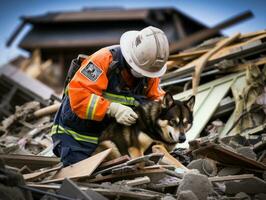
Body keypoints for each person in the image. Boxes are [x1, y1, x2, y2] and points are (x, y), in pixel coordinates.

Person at [50, 26, 169, 166]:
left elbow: (156, 100)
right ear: (130, 57)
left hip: (111, 140)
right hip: (77, 138)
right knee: (81, 177)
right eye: (140, 71)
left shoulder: (149, 73)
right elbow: (79, 97)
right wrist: (113, 109)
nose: (144, 76)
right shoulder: (103, 60)